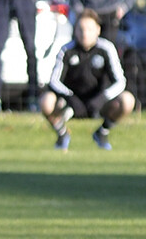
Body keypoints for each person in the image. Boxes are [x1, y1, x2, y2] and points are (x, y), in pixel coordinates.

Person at [41, 9, 132, 150]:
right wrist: (71, 98)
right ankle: (62, 134)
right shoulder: (66, 50)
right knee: (46, 101)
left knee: (127, 100)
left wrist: (102, 98)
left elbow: (120, 81)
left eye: (89, 29)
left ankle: (102, 133)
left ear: (98, 30)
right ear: (75, 30)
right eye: (81, 29)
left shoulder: (106, 48)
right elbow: (54, 81)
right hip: (71, 104)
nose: (85, 33)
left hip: (99, 102)